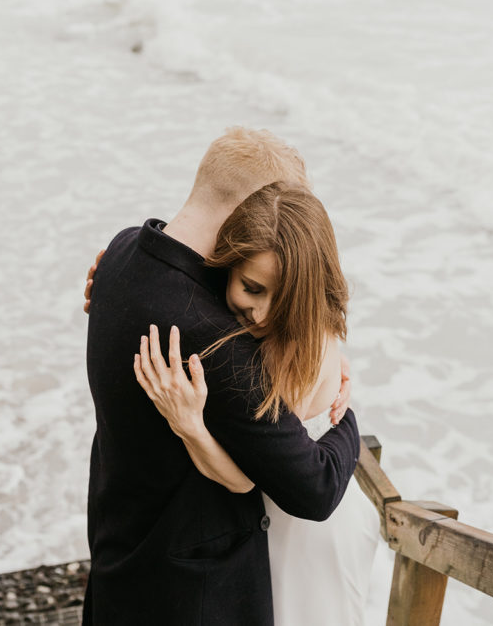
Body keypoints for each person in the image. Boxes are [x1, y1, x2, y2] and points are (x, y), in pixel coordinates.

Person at [83, 128, 362, 625]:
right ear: (254, 217)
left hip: (117, 547)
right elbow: (315, 490)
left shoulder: (123, 252)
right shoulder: (216, 345)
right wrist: (349, 427)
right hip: (194, 595)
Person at [132, 182, 380, 626]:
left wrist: (189, 424)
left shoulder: (298, 349)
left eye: (280, 301)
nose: (261, 315)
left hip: (307, 539)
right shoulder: (279, 330)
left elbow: (246, 482)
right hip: (276, 528)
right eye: (251, 287)